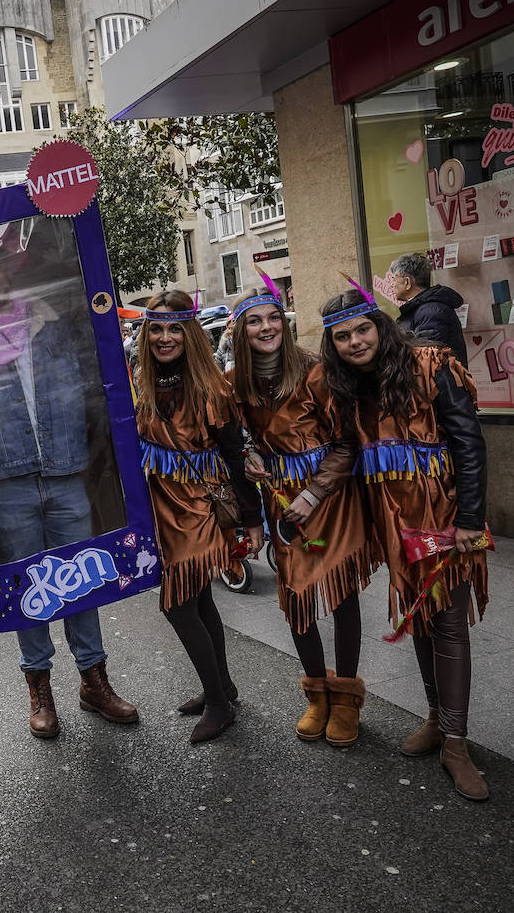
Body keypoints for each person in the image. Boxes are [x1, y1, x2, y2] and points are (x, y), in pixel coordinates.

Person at [0, 229, 138, 739]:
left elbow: (90, 384)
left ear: (10, 271)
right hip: (4, 477)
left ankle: (94, 679)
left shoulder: (50, 324)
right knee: (30, 587)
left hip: (65, 468)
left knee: (81, 581)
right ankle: (39, 688)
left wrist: (98, 453)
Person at [320, 288, 490, 800]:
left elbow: (468, 440)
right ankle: (437, 717)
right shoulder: (347, 386)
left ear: (379, 325)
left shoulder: (430, 362)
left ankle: (457, 744)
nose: (355, 341)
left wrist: (469, 519)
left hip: (444, 515)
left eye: (362, 329)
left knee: (449, 625)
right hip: (394, 523)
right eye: (343, 336)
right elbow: (348, 448)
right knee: (418, 618)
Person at [226, 290, 377, 745]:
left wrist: (314, 493)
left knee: (341, 595)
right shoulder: (234, 381)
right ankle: (317, 695)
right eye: (255, 321)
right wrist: (250, 453)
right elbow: (237, 438)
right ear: (241, 332)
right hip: (280, 502)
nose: (267, 327)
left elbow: (351, 442)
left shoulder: (317, 371)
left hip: (331, 498)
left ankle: (346, 699)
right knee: (295, 597)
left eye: (274, 317)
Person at [136, 290, 263, 744]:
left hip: (199, 510)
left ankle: (218, 704)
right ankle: (222, 687)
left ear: (191, 333)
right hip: (161, 510)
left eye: (175, 328)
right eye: (157, 328)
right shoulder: (142, 383)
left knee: (176, 605)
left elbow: (236, 456)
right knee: (200, 602)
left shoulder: (211, 388)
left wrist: (253, 521)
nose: (165, 338)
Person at [388, 252, 468, 366]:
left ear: (407, 282)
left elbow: (426, 358)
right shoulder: (423, 309)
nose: (391, 284)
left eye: (393, 279)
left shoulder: (431, 311)